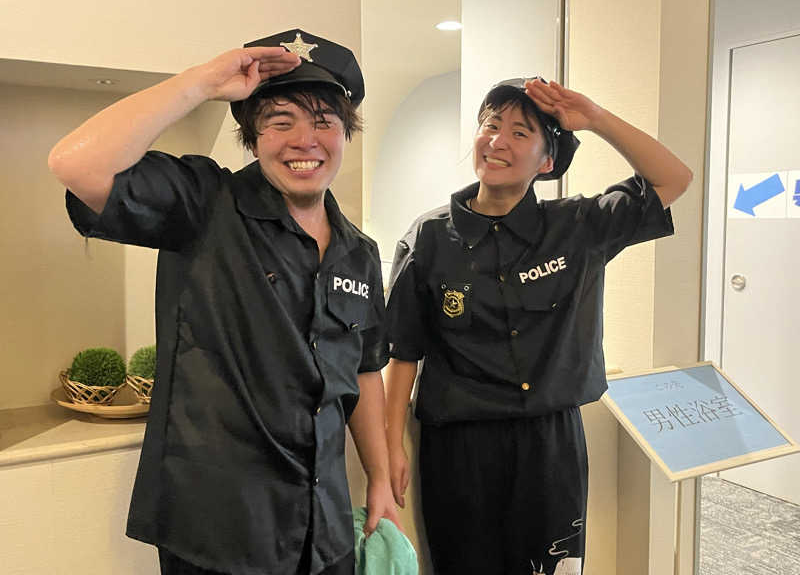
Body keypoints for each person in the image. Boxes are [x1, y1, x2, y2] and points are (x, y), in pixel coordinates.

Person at [49, 29, 399, 575]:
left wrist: (378, 477)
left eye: (324, 121)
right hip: (217, 529)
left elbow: (364, 369)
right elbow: (77, 165)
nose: (305, 140)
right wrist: (204, 82)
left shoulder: (359, 252)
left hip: (322, 526)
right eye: (280, 122)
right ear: (252, 138)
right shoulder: (204, 203)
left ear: (345, 133)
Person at [384, 77, 692, 575]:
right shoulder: (429, 237)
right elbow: (404, 351)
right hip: (459, 447)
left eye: (520, 132)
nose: (497, 140)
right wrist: (389, 445)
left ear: (547, 161)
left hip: (551, 444)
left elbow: (673, 178)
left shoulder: (577, 226)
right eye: (490, 125)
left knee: (554, 568)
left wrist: (594, 118)